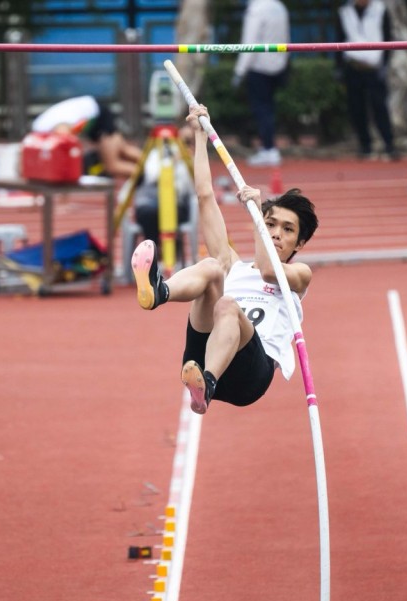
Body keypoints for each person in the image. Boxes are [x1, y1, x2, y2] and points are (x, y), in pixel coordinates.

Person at [130, 103, 318, 415]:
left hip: (250, 375)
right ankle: (158, 292)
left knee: (227, 305)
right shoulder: (237, 266)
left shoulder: (299, 274)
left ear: (300, 242)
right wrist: (199, 137)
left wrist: (259, 214)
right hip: (204, 352)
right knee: (213, 267)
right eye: (270, 225)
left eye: (286, 230)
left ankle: (207, 382)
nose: (275, 234)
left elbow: (270, 270)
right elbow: (205, 197)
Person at [337, 0, 397, 160]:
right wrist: (339, 69)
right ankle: (365, 146)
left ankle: (389, 145)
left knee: (380, 107)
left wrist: (384, 64)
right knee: (356, 108)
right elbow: (339, 39)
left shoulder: (380, 9)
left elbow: (387, 37)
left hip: (374, 66)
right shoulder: (345, 11)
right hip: (353, 66)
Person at [233, 0, 290, 167]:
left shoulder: (256, 9)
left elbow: (249, 43)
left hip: (259, 67)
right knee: (268, 109)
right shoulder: (280, 6)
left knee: (262, 109)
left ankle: (269, 149)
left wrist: (239, 71)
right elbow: (286, 37)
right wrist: (283, 61)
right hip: (278, 65)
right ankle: (269, 147)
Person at [31, 95, 141, 179]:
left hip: (98, 115)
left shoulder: (54, 128)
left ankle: (149, 175)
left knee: (112, 165)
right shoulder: (42, 128)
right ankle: (151, 165)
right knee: (123, 150)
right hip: (92, 111)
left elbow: (69, 146)